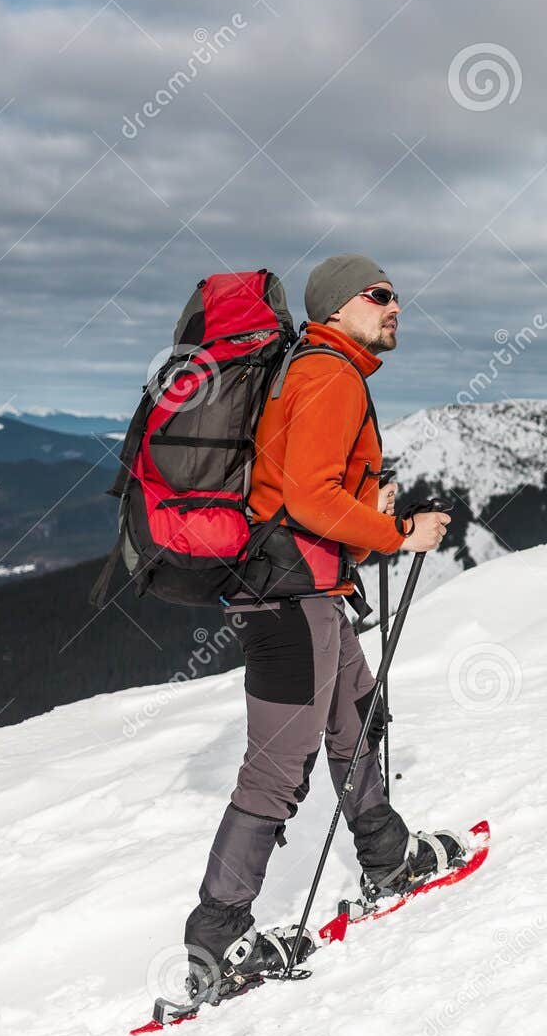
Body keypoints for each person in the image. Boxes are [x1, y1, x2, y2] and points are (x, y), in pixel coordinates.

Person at [183, 253, 460, 997]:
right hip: (290, 599)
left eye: (397, 292)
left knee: (359, 717)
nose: (394, 304)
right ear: (339, 307)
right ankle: (219, 938)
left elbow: (305, 488)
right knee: (276, 768)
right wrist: (396, 531)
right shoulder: (330, 375)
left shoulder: (322, 370)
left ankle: (385, 853)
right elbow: (306, 497)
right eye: (379, 295)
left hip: (309, 594)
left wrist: (372, 509)